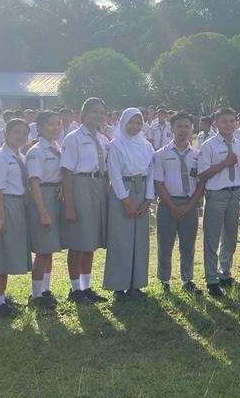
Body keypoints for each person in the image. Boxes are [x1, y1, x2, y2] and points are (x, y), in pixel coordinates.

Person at [60, 97, 110, 304]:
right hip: (81, 185)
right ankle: (75, 289)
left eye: (102, 112)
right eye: (94, 111)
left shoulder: (104, 139)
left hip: (99, 187)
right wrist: (70, 205)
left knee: (91, 241)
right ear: (83, 114)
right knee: (79, 241)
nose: (98, 116)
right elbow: (66, 172)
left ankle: (87, 286)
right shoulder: (73, 138)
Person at [103, 108, 155, 301]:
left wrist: (148, 199)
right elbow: (114, 175)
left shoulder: (147, 146)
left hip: (141, 191)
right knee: (121, 239)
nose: (134, 126)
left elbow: (151, 173)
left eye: (138, 123)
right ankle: (119, 286)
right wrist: (125, 200)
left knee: (140, 240)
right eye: (130, 122)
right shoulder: (115, 146)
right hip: (121, 192)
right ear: (123, 123)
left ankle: (136, 284)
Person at [0, 118, 31, 318]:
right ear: (6, 135)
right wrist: (1, 217)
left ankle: (2, 299)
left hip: (17, 205)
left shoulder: (20, 156)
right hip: (3, 205)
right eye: (16, 132)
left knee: (8, 252)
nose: (20, 136)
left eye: (24, 133)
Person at [154, 112, 205, 295]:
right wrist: (172, 206)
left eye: (187, 126)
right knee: (165, 244)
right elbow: (158, 183)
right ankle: (165, 280)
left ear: (192, 129)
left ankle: (187, 279)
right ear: (172, 129)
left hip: (189, 205)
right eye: (179, 126)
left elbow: (201, 183)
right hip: (168, 204)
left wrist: (190, 205)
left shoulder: (198, 155)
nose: (183, 130)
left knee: (188, 245)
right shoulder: (160, 154)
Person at [199, 107, 240, 296]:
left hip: (234, 194)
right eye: (224, 121)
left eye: (232, 121)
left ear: (236, 123)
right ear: (215, 124)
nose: (228, 124)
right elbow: (202, 174)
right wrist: (225, 163)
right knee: (212, 238)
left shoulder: (239, 143)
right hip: (216, 194)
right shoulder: (208, 145)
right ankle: (211, 278)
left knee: (230, 237)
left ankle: (224, 273)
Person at [25, 111, 65, 310]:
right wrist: (42, 212)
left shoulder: (56, 147)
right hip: (43, 198)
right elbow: (34, 184)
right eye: (51, 124)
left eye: (58, 124)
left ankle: (45, 290)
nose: (56, 128)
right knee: (42, 250)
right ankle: (36, 295)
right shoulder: (37, 151)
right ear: (39, 128)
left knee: (49, 249)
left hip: (55, 197)